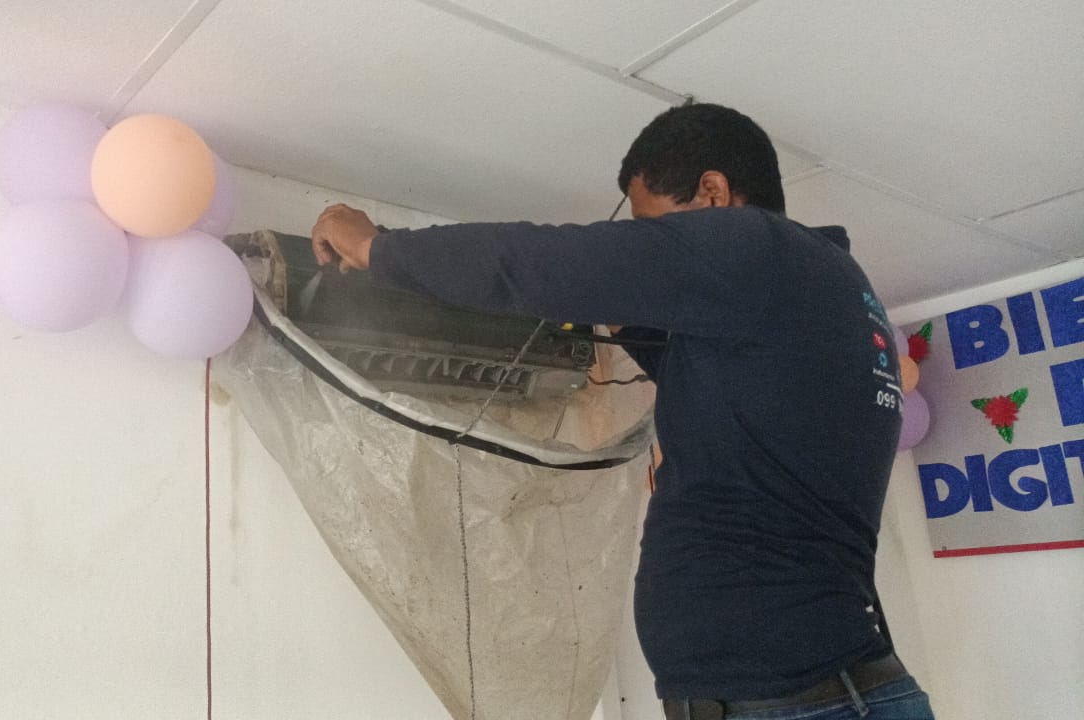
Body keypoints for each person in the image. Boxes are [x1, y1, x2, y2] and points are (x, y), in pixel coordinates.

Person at [311, 103, 935, 720]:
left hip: (804, 702)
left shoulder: (757, 249)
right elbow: (693, 365)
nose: (648, 249)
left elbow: (537, 262)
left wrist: (376, 249)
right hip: (807, 695)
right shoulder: (818, 291)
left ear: (713, 193)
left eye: (652, 231)